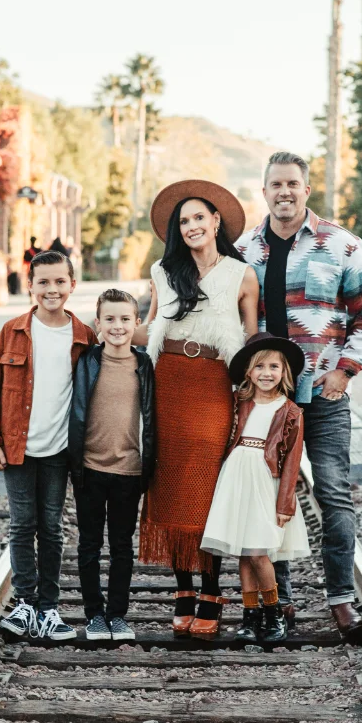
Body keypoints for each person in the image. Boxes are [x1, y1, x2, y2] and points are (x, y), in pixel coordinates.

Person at [236, 151, 362, 642]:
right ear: (264, 191)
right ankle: (284, 596)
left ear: (306, 189)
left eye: (293, 184)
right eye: (276, 184)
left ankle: (341, 599)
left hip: (322, 393)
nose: (285, 192)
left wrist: (345, 371)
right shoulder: (243, 251)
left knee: (334, 495)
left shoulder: (341, 244)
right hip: (266, 400)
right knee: (269, 495)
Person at [133, 179, 259, 638]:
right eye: (183, 221)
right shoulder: (163, 273)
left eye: (198, 218)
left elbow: (248, 342)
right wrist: (95, 329)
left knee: (206, 489)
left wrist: (252, 393)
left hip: (212, 385)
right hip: (167, 381)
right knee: (167, 485)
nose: (191, 226)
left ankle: (211, 591)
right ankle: (182, 589)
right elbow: (149, 331)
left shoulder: (241, 274)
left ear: (216, 221)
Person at [0, 250, 97, 642]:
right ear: (29, 285)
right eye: (43, 282)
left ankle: (48, 608)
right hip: (17, 448)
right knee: (21, 524)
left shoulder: (84, 336)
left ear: (72, 285)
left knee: (50, 527)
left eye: (59, 281)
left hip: (60, 451)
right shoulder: (12, 331)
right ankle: (25, 604)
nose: (52, 289)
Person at [201, 333, 309, 644]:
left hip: (266, 482)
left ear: (284, 372)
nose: (266, 373)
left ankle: (273, 613)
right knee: (245, 554)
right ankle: (250, 616)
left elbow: (291, 461)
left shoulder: (291, 412)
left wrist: (284, 503)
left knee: (261, 552)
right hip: (237, 477)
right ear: (248, 371)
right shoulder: (238, 403)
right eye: (259, 366)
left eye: (274, 367)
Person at [69, 289, 155, 642]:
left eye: (124, 319)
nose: (117, 326)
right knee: (89, 544)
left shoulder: (144, 364)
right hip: (90, 467)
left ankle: (117, 615)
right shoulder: (87, 361)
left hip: (129, 470)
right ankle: (94, 615)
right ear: (98, 323)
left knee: (121, 546)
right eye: (110, 319)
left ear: (136, 323)